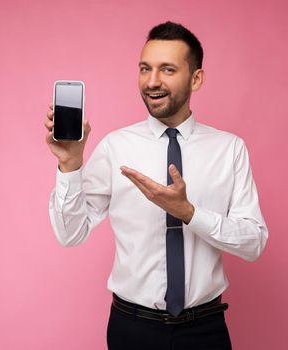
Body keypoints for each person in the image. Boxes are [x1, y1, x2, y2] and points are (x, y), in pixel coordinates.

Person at [44, 21, 268, 350]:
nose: (152, 82)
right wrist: (69, 165)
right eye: (145, 69)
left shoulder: (229, 149)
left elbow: (254, 243)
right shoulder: (115, 146)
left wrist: (189, 213)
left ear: (196, 78)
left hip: (204, 331)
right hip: (132, 330)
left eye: (167, 69)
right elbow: (69, 233)